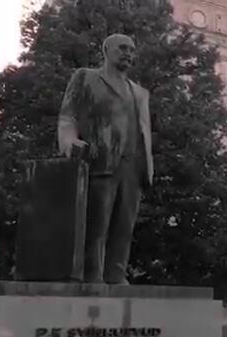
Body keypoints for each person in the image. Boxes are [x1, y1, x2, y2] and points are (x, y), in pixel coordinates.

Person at [57, 33, 154, 285]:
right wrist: (68, 140)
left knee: (124, 227)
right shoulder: (86, 77)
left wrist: (146, 165)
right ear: (106, 50)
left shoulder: (140, 92)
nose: (128, 53)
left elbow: (143, 129)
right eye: (122, 48)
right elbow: (68, 116)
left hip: (133, 167)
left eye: (132, 50)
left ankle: (117, 275)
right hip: (100, 160)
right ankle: (92, 276)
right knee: (97, 225)